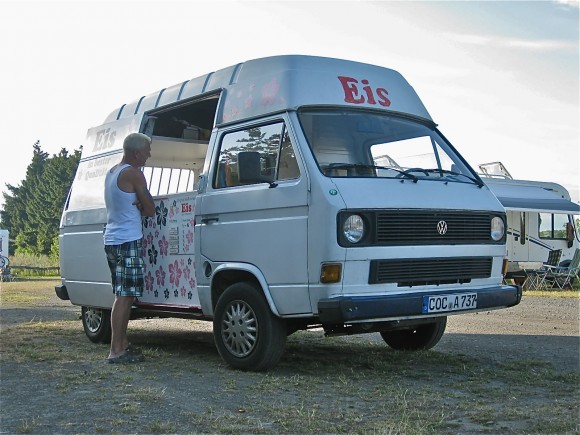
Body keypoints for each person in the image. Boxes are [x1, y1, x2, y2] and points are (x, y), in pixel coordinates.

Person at [104, 132, 155, 364]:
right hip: (127, 240)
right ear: (136, 153)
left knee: (120, 295)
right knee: (125, 297)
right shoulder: (134, 173)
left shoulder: (112, 172)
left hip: (112, 239)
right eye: (146, 151)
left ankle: (122, 344)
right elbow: (150, 209)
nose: (149, 155)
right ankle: (117, 350)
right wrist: (142, 203)